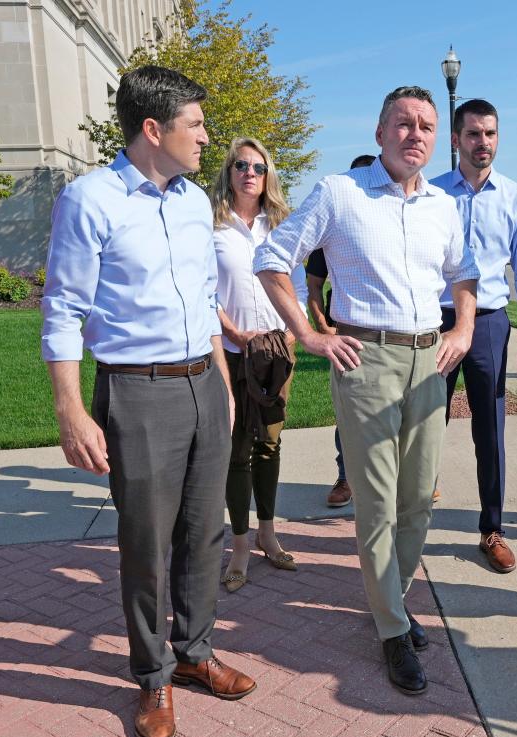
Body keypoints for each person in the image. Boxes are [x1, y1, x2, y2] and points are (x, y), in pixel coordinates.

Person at [41, 65, 256, 737]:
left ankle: (194, 652)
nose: (206, 136)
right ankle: (153, 673)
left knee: (204, 533)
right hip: (135, 391)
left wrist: (220, 383)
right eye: (195, 123)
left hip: (202, 383)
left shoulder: (195, 201)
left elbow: (201, 301)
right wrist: (72, 412)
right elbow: (63, 311)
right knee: (146, 544)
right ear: (154, 129)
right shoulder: (89, 200)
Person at [254, 86, 479, 694]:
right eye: (403, 124)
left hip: (428, 358)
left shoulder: (442, 205)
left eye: (427, 127)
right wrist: (309, 334)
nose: (416, 135)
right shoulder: (340, 192)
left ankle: (394, 606)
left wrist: (460, 326)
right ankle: (391, 629)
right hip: (366, 358)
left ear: (441, 139)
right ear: (379, 133)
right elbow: (273, 260)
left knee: (419, 500)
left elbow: (464, 275)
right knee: (377, 504)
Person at [429, 99, 517, 574]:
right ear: (456, 139)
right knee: (423, 425)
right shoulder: (430, 194)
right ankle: (409, 522)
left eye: (490, 134)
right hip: (434, 322)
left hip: (491, 323)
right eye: (474, 134)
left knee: (489, 431)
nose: (483, 143)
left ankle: (491, 529)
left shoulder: (516, 198)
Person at [211, 137, 308, 591]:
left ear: (268, 175)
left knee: (269, 445)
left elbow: (300, 291)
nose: (250, 173)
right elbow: (202, 291)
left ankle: (269, 534)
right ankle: (241, 544)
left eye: (258, 167)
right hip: (230, 354)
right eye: (241, 165)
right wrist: (231, 331)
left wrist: (290, 335)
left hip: (274, 355)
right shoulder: (211, 226)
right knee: (236, 450)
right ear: (229, 172)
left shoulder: (282, 226)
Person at [305, 153, 376, 508]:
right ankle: (346, 478)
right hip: (346, 332)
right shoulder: (334, 225)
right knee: (348, 413)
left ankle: (417, 479)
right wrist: (322, 327)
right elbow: (313, 285)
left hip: (388, 335)